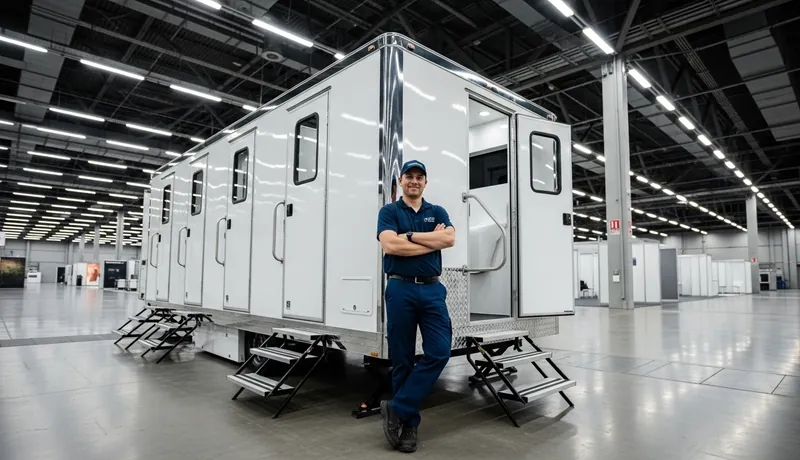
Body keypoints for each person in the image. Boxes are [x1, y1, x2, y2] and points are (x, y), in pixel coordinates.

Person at [376, 160, 456, 453]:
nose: (414, 181)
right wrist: (429, 241)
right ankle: (409, 425)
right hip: (400, 288)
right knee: (402, 360)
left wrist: (408, 236)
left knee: (439, 351)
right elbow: (390, 246)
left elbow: (449, 238)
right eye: (409, 176)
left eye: (419, 177)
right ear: (400, 181)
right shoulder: (389, 211)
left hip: (432, 289)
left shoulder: (438, 211)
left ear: (425, 182)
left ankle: (397, 407)